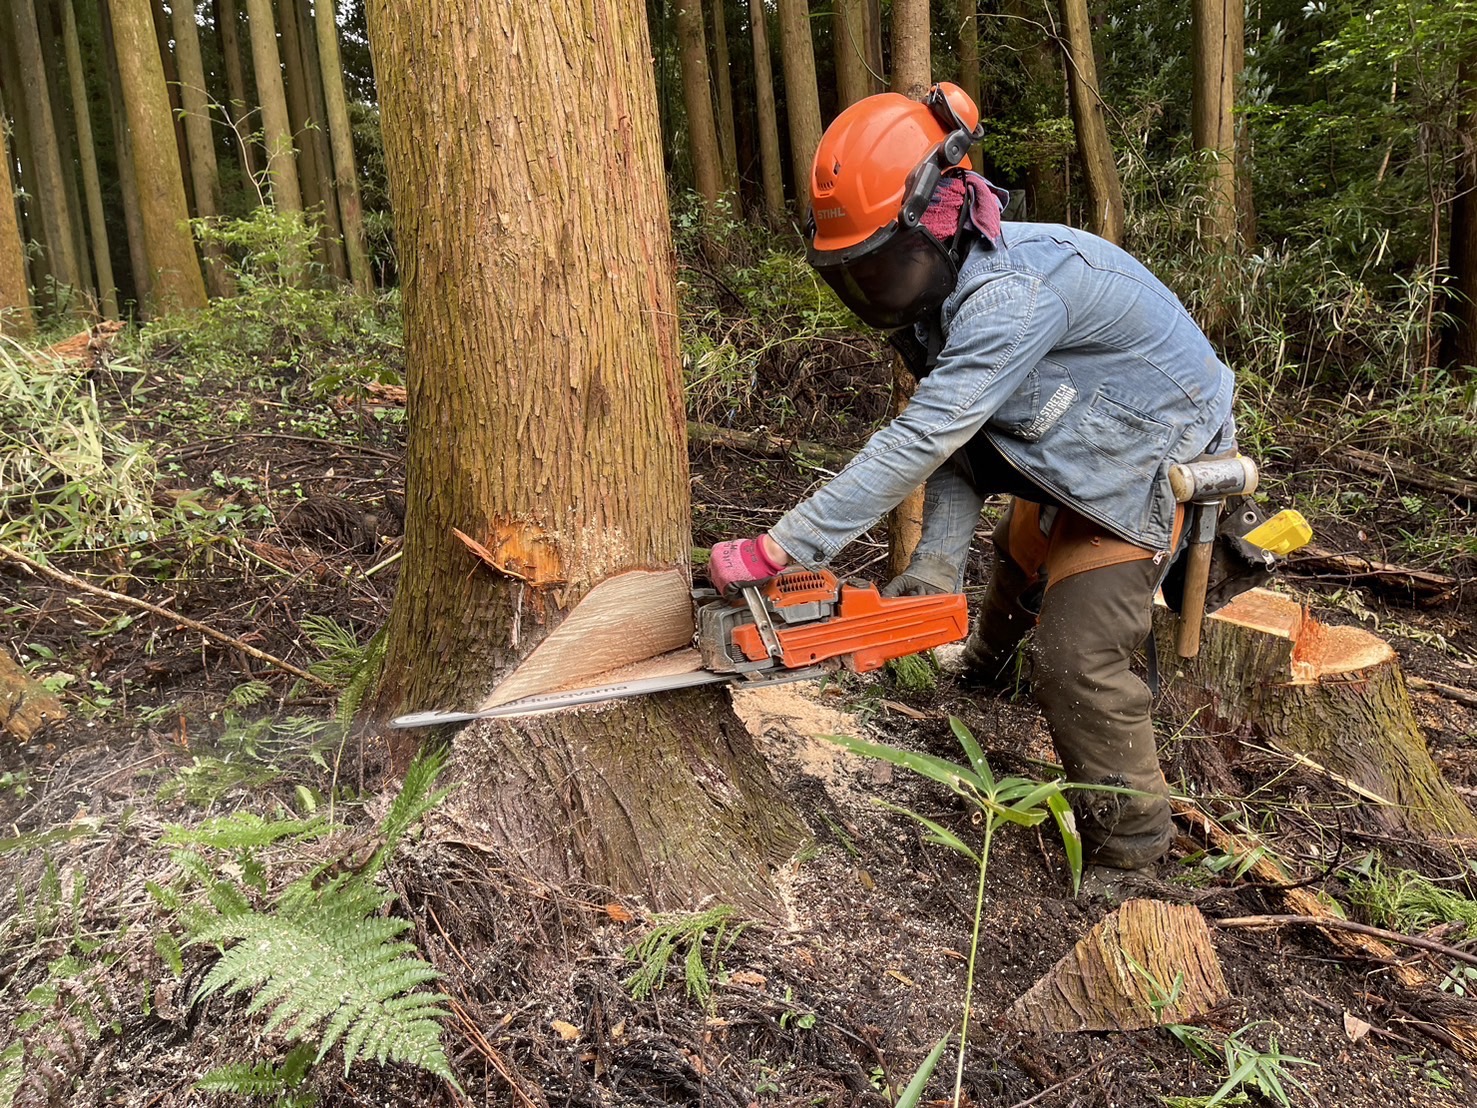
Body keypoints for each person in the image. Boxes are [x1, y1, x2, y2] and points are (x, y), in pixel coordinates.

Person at [706, 83, 1237, 872]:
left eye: (883, 262)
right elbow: (963, 443)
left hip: (1151, 453)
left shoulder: (1010, 296)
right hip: (1068, 428)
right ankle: (986, 675)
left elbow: (926, 435)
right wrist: (934, 567)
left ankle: (1132, 850)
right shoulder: (940, 301)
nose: (873, 286)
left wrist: (780, 548)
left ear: (936, 216)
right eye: (857, 270)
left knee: (1077, 660)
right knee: (1017, 560)